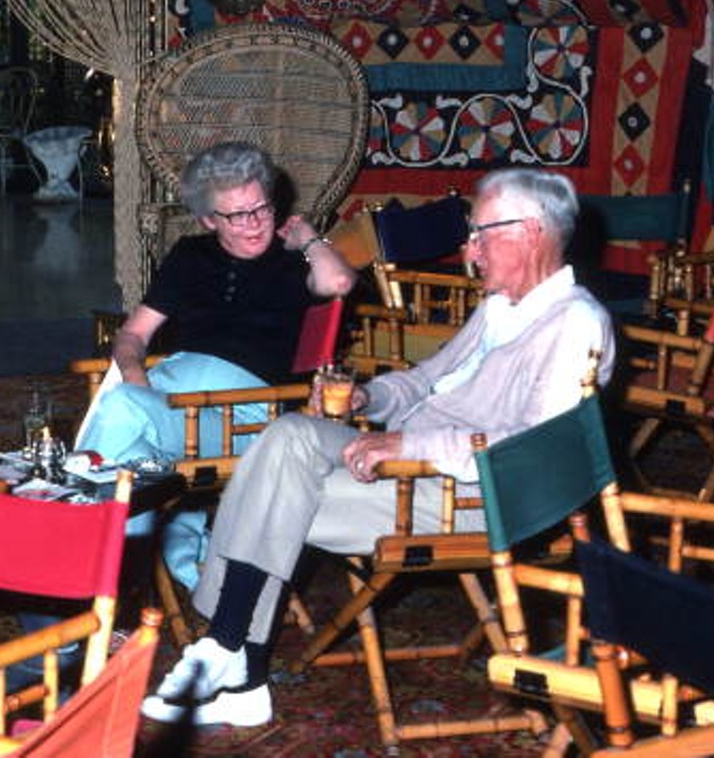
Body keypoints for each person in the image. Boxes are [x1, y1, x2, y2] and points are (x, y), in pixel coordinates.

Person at [139, 167, 617, 728]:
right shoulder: (500, 308)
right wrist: (368, 398)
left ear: (531, 232)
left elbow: (532, 447)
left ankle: (235, 661)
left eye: (481, 233)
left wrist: (407, 442)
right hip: (413, 465)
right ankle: (234, 660)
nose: (470, 249)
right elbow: (425, 379)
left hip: (470, 493)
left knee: (273, 492)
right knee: (285, 436)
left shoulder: (576, 323)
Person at [75, 141, 355, 467]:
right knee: (131, 460)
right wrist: (137, 377)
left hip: (244, 414)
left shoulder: (294, 262)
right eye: (237, 214)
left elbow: (339, 283)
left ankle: (64, 505)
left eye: (262, 208)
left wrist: (308, 238)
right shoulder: (190, 254)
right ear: (209, 220)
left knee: (119, 409)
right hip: (169, 398)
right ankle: (181, 521)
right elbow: (133, 335)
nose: (253, 223)